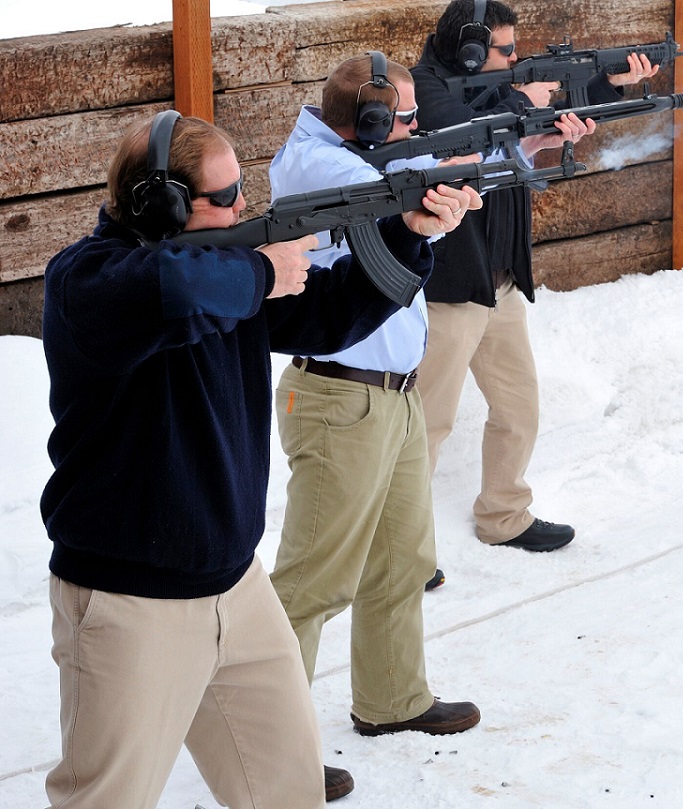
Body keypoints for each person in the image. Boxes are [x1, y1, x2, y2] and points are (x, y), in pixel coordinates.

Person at [40, 110, 475, 809]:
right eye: (227, 196)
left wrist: (410, 235)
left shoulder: (226, 278)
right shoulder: (88, 282)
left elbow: (331, 315)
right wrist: (260, 268)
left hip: (238, 589)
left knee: (288, 788)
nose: (246, 205)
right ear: (163, 206)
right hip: (131, 604)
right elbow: (174, 292)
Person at [267, 52, 492, 792]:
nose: (413, 128)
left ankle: (392, 699)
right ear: (363, 123)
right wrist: (445, 179)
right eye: (400, 118)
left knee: (403, 558)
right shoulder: (316, 166)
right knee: (311, 582)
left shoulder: (363, 154)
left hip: (392, 395)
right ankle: (271, 746)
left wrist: (525, 140)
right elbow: (392, 190)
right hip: (337, 398)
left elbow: (420, 165)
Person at [411, 0, 658, 556]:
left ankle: (503, 514)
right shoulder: (424, 88)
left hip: (499, 278)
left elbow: (538, 119)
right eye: (506, 51)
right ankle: (400, 552)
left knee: (518, 406)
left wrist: (607, 82)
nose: (516, 59)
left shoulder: (493, 87)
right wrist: (524, 99)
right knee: (426, 426)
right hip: (449, 288)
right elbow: (461, 134)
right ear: (470, 50)